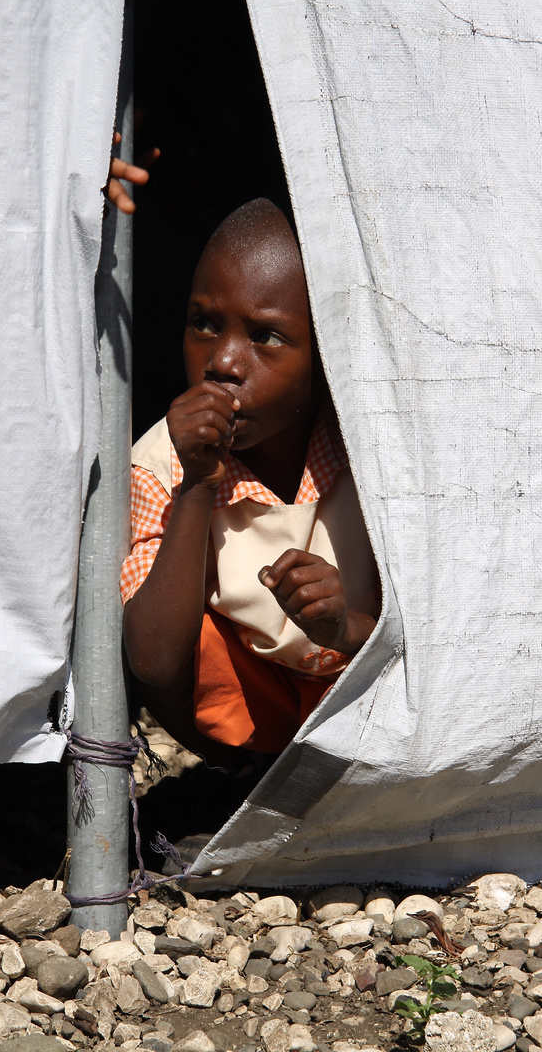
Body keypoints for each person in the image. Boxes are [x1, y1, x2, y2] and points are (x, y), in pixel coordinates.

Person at [121, 199, 380, 766]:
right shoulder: (158, 464)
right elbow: (155, 663)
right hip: (258, 725)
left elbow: (433, 630)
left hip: (380, 707)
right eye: (204, 324)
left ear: (326, 356)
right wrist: (197, 486)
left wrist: (345, 627)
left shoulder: (374, 446)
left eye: (265, 336)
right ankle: (251, 790)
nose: (224, 362)